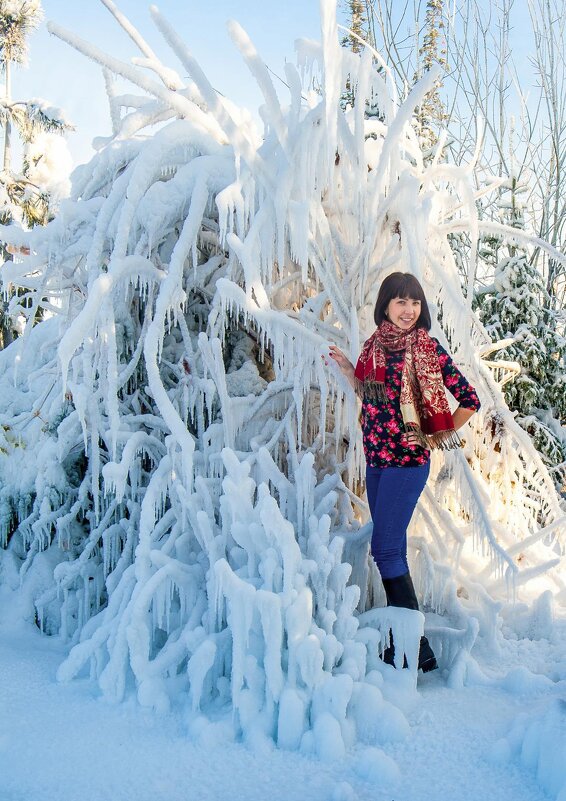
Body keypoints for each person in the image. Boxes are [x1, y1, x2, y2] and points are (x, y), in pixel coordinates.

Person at [327, 272, 480, 672]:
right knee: (389, 547)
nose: (409, 310)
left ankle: (414, 646)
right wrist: (348, 371)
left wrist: (433, 436)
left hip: (407, 465)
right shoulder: (374, 349)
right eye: (400, 302)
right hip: (377, 461)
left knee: (385, 547)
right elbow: (371, 397)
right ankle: (411, 644)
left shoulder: (428, 349)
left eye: (415, 302)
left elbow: (469, 399)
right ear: (386, 306)